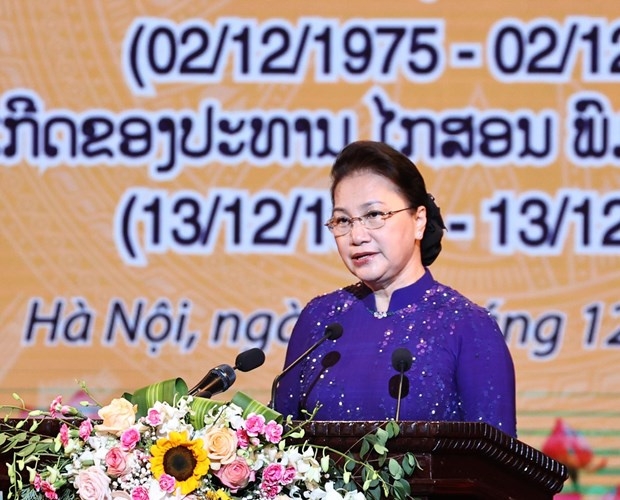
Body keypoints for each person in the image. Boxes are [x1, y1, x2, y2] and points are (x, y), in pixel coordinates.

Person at [273, 140, 517, 438]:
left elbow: (497, 467)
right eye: (343, 220)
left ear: (419, 220)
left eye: (374, 215)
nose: (357, 235)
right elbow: (278, 447)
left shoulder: (467, 325)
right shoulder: (320, 319)